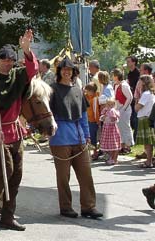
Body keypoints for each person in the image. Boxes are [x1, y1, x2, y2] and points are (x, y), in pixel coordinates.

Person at [0, 30, 38, 231]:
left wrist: (27, 51)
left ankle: (7, 218)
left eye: (11, 60)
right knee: (6, 171)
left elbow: (33, 70)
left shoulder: (18, 76)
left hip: (15, 131)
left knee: (16, 175)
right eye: (4, 60)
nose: (8, 63)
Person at [49, 57, 103, 219]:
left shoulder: (78, 91)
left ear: (73, 72)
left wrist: (87, 135)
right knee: (63, 177)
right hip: (60, 139)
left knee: (86, 175)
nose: (67, 72)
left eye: (70, 70)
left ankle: (89, 207)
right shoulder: (51, 90)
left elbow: (83, 117)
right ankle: (66, 207)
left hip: (79, 139)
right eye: (64, 69)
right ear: (59, 71)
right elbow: (46, 114)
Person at [112, 68, 134, 155]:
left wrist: (124, 108)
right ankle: (122, 146)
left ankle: (128, 146)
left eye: (113, 75)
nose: (112, 77)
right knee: (120, 128)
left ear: (117, 76)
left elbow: (130, 97)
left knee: (125, 127)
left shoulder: (124, 85)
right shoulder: (116, 85)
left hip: (124, 110)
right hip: (119, 109)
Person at [135, 75, 155, 168]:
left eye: (140, 81)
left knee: (148, 142)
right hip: (147, 118)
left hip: (145, 119)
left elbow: (137, 107)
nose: (138, 84)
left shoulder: (146, 94)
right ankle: (149, 160)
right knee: (148, 142)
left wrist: (136, 101)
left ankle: (149, 161)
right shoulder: (150, 93)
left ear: (143, 83)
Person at [99, 98, 121, 165]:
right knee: (109, 144)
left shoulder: (114, 111)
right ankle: (111, 158)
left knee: (114, 144)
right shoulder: (105, 111)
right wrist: (104, 116)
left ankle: (114, 159)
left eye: (112, 104)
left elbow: (114, 119)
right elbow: (102, 119)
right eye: (108, 104)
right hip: (107, 129)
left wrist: (112, 117)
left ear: (114, 105)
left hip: (112, 129)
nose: (110, 106)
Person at [84, 82, 100, 160]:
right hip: (86, 119)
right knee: (87, 136)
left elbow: (96, 110)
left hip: (93, 120)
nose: (87, 92)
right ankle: (88, 152)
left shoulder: (95, 98)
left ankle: (95, 152)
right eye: (86, 90)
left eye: (88, 91)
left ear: (93, 91)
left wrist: (97, 120)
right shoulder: (86, 97)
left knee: (93, 137)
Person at [126, 55, 140, 145]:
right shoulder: (129, 74)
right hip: (130, 98)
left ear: (133, 62)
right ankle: (131, 139)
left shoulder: (138, 73)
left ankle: (135, 139)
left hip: (136, 98)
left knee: (135, 119)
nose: (127, 63)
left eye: (129, 61)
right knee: (131, 119)